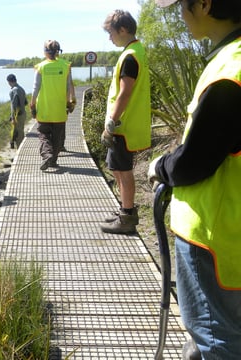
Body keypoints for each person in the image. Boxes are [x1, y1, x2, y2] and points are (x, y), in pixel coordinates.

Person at [149, 1, 241, 358]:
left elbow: (195, 161)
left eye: (180, 6)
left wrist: (161, 165)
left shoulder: (229, 73)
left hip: (213, 237)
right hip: (229, 230)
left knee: (216, 339)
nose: (178, 15)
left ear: (204, 4)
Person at [99, 10, 151, 235]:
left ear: (122, 29)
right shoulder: (134, 51)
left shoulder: (130, 56)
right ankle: (124, 209)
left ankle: (127, 216)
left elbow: (125, 93)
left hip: (123, 126)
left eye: (110, 33)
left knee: (123, 170)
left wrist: (111, 122)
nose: (109, 38)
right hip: (126, 125)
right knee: (118, 170)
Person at [30, 40, 76, 171]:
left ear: (45, 51)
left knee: (43, 134)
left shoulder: (41, 67)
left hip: (44, 109)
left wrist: (32, 104)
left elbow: (35, 88)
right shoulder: (65, 66)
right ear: (58, 51)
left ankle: (47, 156)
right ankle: (53, 160)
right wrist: (70, 101)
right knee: (57, 136)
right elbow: (69, 86)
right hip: (60, 109)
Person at [6, 73, 27, 149]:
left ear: (9, 82)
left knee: (17, 134)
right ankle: (20, 149)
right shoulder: (21, 89)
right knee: (21, 132)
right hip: (23, 113)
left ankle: (19, 151)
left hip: (17, 116)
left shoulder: (13, 91)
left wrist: (12, 118)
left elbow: (13, 105)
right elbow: (25, 102)